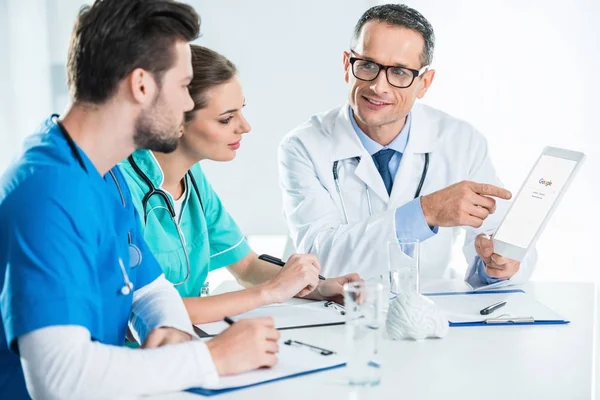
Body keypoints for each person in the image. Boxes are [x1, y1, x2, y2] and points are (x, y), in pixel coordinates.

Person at [0, 1, 280, 398]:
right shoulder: (46, 193)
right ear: (142, 85)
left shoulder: (106, 172)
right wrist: (212, 357)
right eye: (184, 87)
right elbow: (58, 380)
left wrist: (168, 330)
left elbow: (149, 286)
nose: (187, 105)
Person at [278, 4, 537, 288]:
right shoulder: (303, 145)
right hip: (335, 314)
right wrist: (426, 212)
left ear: (424, 83)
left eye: (399, 72)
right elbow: (317, 259)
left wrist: (498, 265)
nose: (379, 86)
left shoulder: (461, 142)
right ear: (346, 65)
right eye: (367, 65)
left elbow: (493, 239)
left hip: (428, 310)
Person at [120, 45, 361, 325]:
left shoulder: (193, 180)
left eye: (241, 111)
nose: (245, 126)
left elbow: (246, 265)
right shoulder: (120, 188)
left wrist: (317, 286)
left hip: (187, 341)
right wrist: (270, 292)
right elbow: (137, 312)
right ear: (175, 119)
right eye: (226, 118)